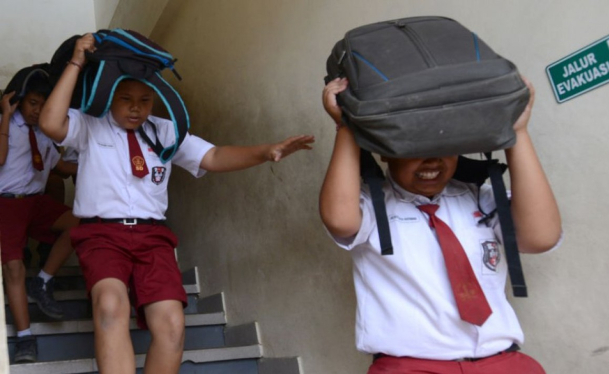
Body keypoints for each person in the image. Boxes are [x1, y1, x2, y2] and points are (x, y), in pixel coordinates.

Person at [39, 34, 315, 374]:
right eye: (125, 99)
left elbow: (212, 156)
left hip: (153, 237)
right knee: (110, 306)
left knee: (171, 324)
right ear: (110, 97)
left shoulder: (166, 132)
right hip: (102, 234)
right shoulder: (90, 125)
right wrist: (77, 60)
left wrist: (266, 152)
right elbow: (51, 123)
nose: (136, 107)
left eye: (145, 99)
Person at [319, 77, 562, 373]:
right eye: (414, 149)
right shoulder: (371, 205)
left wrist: (516, 132)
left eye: (444, 146)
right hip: (411, 367)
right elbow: (340, 221)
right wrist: (347, 127)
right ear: (384, 151)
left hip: (502, 362)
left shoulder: (481, 198)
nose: (432, 161)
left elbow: (541, 237)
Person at [0, 72, 79, 363]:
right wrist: (6, 116)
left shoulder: (45, 132)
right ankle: (24, 338)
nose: (37, 110)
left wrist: (94, 159)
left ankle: (43, 280)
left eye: (43, 105)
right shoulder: (3, 124)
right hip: (7, 204)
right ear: (17, 100)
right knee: (13, 267)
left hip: (35, 203)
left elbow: (59, 166)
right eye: (32, 103)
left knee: (82, 225)